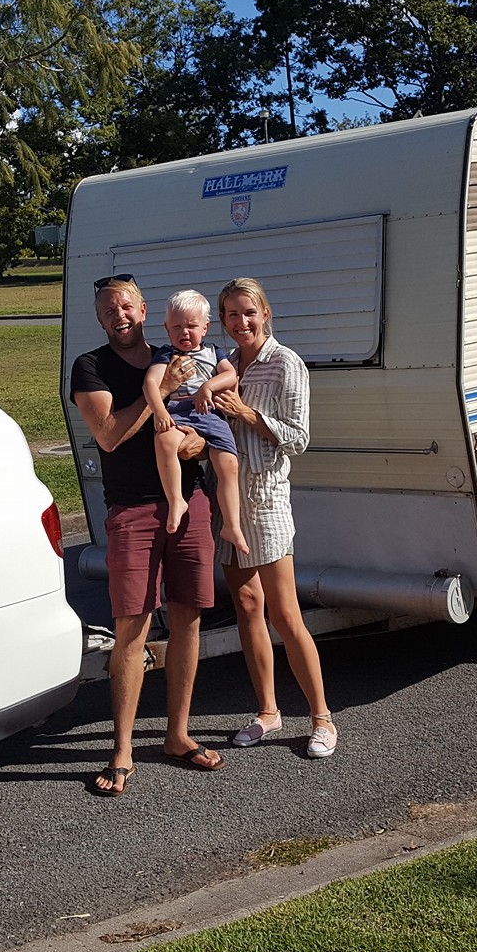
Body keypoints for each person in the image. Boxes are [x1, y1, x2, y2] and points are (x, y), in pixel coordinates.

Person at [69, 272, 225, 795]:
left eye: (127, 306)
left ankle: (177, 735)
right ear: (100, 318)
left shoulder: (176, 352)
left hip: (190, 501)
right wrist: (162, 391)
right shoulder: (91, 367)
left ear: (143, 310)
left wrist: (196, 444)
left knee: (188, 619)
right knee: (131, 626)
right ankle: (122, 749)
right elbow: (109, 435)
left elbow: (205, 427)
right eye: (108, 310)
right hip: (132, 509)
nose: (119, 315)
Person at [212, 277, 337, 758]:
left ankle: (322, 718)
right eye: (231, 314)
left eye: (249, 312)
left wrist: (246, 412)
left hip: (266, 499)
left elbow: (299, 438)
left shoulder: (285, 363)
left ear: (265, 313)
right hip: (228, 502)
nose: (241, 322)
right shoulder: (224, 364)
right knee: (247, 605)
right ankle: (267, 711)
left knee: (284, 614)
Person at [142, 290, 249, 555]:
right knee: (165, 441)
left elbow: (230, 375)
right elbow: (150, 383)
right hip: (178, 412)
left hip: (209, 413)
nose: (184, 332)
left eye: (191, 326)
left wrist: (207, 388)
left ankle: (232, 525)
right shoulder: (166, 354)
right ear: (167, 328)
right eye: (176, 327)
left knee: (228, 464)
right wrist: (159, 412)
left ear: (205, 327)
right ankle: (176, 500)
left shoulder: (214, 352)